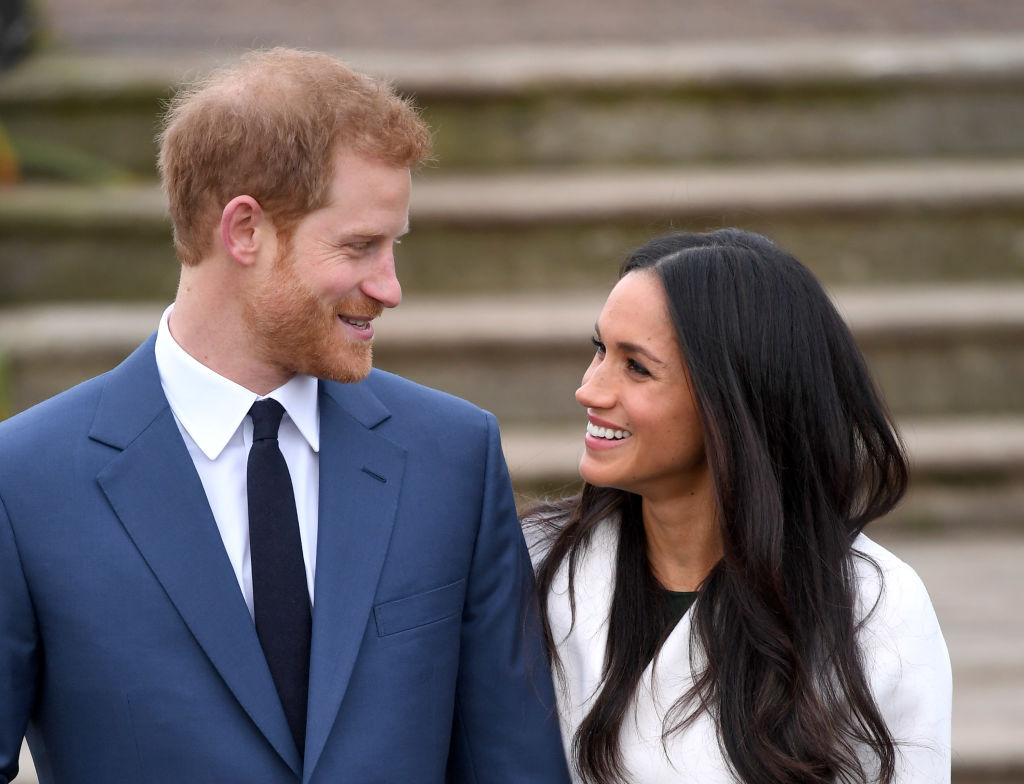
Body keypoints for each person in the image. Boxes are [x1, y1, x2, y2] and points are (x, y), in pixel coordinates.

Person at [0, 48, 570, 784]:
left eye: (392, 247)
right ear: (244, 231)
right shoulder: (25, 479)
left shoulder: (452, 456)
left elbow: (512, 765)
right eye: (361, 246)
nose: (390, 287)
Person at [525, 229, 952, 784]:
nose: (590, 389)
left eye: (637, 367)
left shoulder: (874, 607)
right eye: (600, 350)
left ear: (735, 402)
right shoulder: (538, 563)